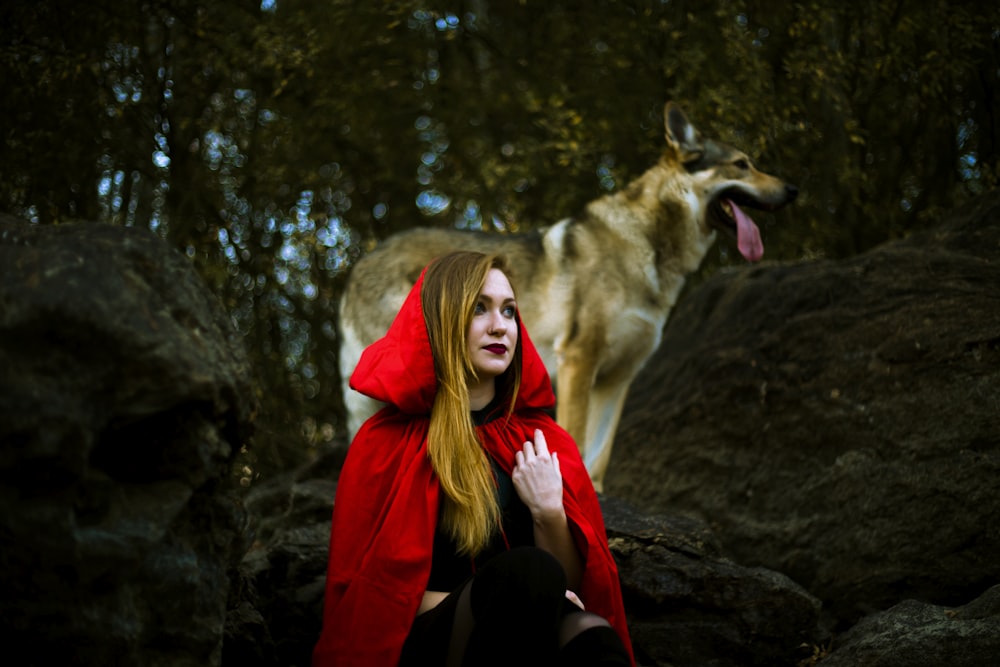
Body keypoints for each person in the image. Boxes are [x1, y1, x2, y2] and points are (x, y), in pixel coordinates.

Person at [312, 251, 635, 667]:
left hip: (527, 629)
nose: (500, 325)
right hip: (426, 639)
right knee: (526, 575)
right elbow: (367, 593)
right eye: (479, 309)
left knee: (594, 638)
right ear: (444, 319)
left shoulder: (543, 439)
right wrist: (507, 594)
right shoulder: (385, 442)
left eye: (509, 311)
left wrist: (548, 511)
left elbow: (573, 583)